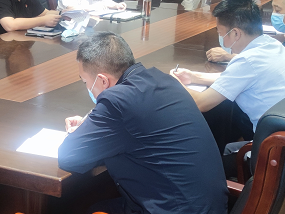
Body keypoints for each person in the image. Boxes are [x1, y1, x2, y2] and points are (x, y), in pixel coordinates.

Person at [59, 32, 228, 214]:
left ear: (103, 80)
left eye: (85, 81)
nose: (87, 87)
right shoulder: (165, 80)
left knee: (82, 207)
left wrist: (86, 131)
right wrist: (95, 125)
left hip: (175, 209)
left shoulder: (117, 102)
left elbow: (69, 157)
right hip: (211, 206)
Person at [171, 0, 285, 151]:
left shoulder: (247, 61)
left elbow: (200, 103)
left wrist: (175, 83)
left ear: (236, 33)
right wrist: (194, 76)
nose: (220, 38)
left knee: (221, 152)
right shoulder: (271, 44)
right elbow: (234, 79)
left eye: (220, 33)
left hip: (277, 154)